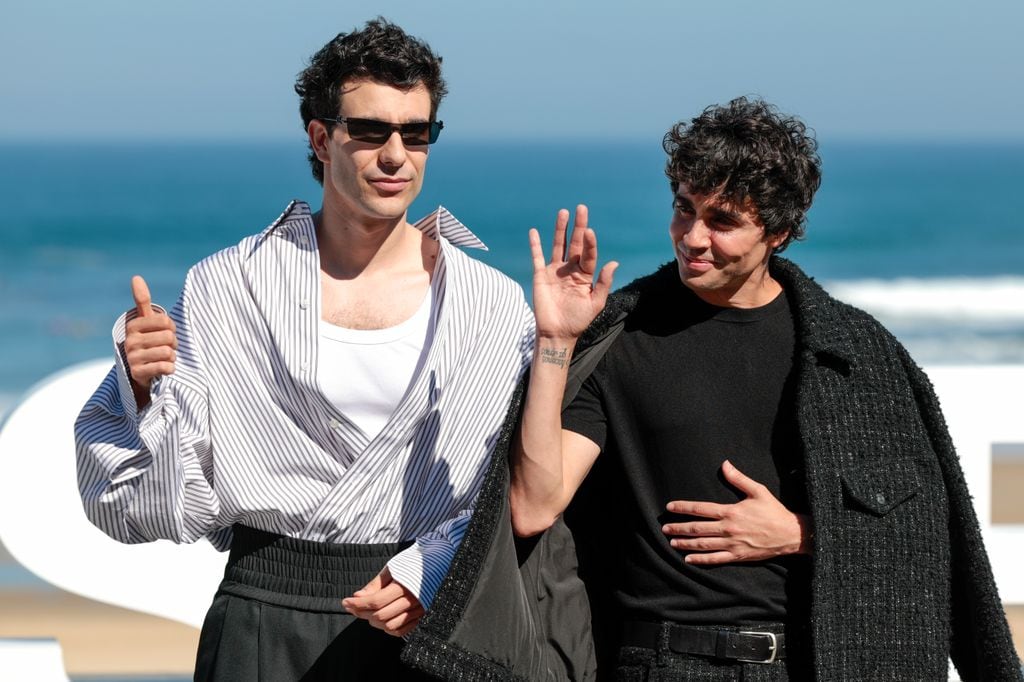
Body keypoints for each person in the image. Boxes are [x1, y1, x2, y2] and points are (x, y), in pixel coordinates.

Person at [75, 19, 534, 680]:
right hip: (265, 609)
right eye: (370, 131)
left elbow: (517, 487)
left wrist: (433, 570)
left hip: (429, 613)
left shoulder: (490, 304)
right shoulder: (228, 284)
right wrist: (144, 391)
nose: (395, 156)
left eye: (417, 133)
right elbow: (134, 506)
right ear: (321, 138)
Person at [504, 97, 1022, 680]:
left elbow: (924, 538)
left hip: (820, 663)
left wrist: (804, 533)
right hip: (660, 662)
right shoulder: (621, 338)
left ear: (777, 231)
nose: (693, 237)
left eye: (722, 221)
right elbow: (532, 507)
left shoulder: (853, 353)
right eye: (683, 209)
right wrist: (554, 341)